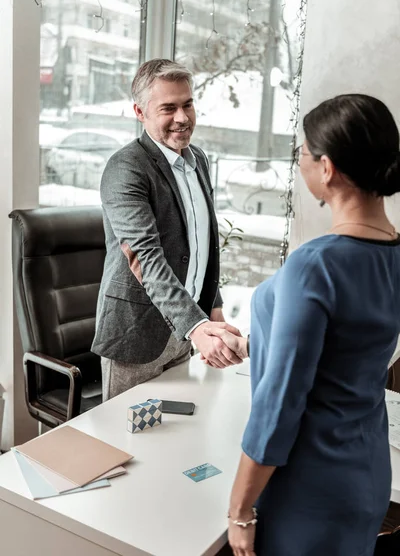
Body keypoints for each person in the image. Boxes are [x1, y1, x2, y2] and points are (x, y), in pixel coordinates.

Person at [205, 94, 400, 556]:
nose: (300, 165)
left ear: (327, 168)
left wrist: (239, 509)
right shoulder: (391, 254)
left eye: (302, 154)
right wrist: (261, 341)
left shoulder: (315, 266)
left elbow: (279, 406)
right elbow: (350, 346)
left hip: (308, 485)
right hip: (366, 470)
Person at [92, 59, 242, 400]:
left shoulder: (198, 159)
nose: (183, 118)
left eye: (188, 104)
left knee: (176, 430)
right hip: (137, 333)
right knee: (127, 439)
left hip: (186, 329)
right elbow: (146, 256)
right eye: (168, 108)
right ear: (140, 112)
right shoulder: (126, 167)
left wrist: (212, 307)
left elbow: (201, 243)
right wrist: (197, 325)